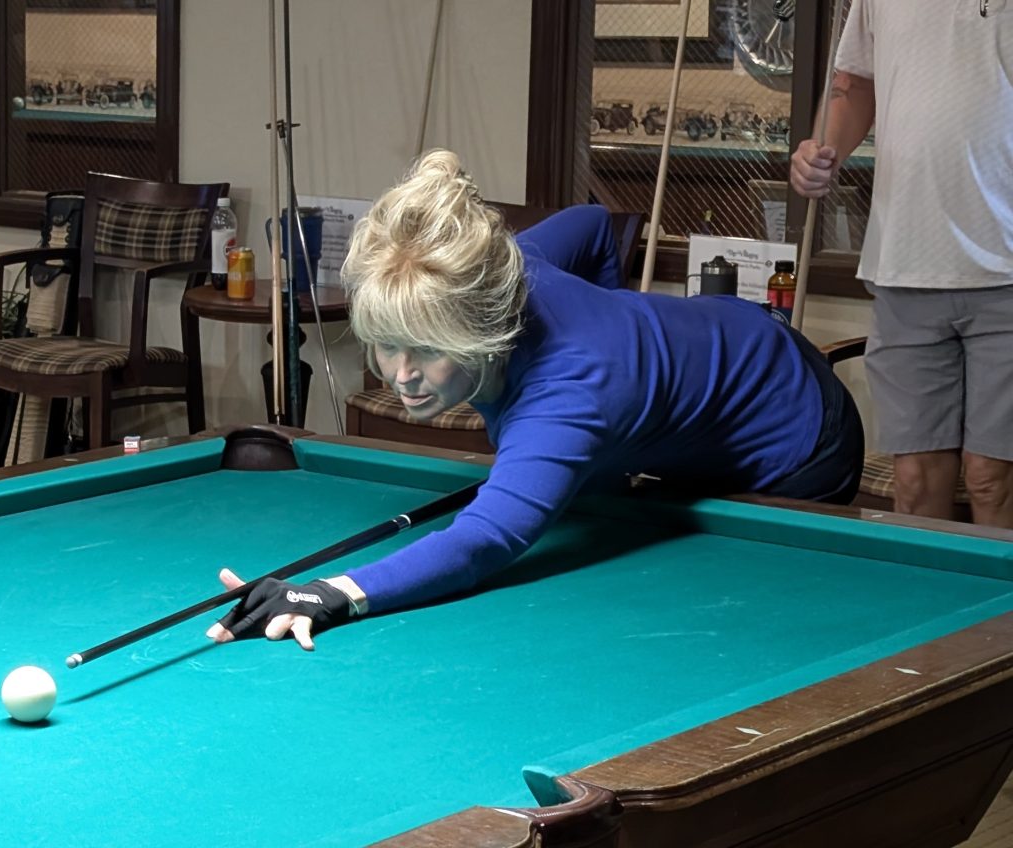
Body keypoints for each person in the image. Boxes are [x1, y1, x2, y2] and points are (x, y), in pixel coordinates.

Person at [208, 149, 863, 651]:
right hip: (730, 344)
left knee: (755, 613)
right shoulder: (495, 272)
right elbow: (592, 226)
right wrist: (617, 319)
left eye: (426, 350)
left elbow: (485, 539)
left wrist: (332, 592)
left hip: (799, 430)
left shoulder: (570, 393)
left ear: (485, 335)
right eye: (386, 345)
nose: (400, 376)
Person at [789, 0, 1013, 527]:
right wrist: (821, 153)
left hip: (1007, 270)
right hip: (903, 264)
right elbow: (854, 84)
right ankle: (932, 588)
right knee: (914, 479)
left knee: (993, 478)